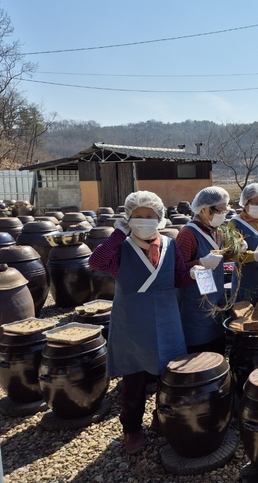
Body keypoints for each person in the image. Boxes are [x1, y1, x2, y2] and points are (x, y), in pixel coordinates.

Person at [88, 191, 194, 455]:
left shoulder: (169, 245)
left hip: (168, 318)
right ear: (128, 218)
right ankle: (131, 428)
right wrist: (117, 234)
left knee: (167, 376)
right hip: (132, 321)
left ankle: (161, 415)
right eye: (138, 216)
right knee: (134, 380)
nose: (145, 220)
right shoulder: (120, 249)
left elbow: (178, 278)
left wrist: (194, 273)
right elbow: (95, 262)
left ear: (159, 218)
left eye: (150, 216)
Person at [177, 186, 244, 354]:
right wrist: (200, 262)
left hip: (215, 296)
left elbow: (220, 257)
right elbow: (177, 270)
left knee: (217, 344)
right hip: (195, 302)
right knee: (200, 349)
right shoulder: (188, 234)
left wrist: (236, 250)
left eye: (225, 210)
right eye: (220, 210)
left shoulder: (217, 231)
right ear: (204, 209)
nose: (223, 214)